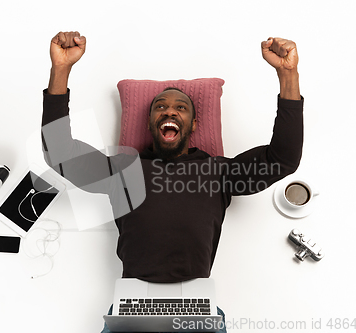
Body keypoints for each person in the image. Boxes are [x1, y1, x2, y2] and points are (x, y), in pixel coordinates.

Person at [41, 31, 303, 333]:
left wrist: (288, 74)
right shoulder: (124, 169)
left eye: (181, 107)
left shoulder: (217, 171)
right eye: (160, 107)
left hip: (195, 306)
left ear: (192, 124)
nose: (169, 110)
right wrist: (60, 69)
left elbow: (282, 158)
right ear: (151, 121)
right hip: (133, 305)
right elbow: (60, 154)